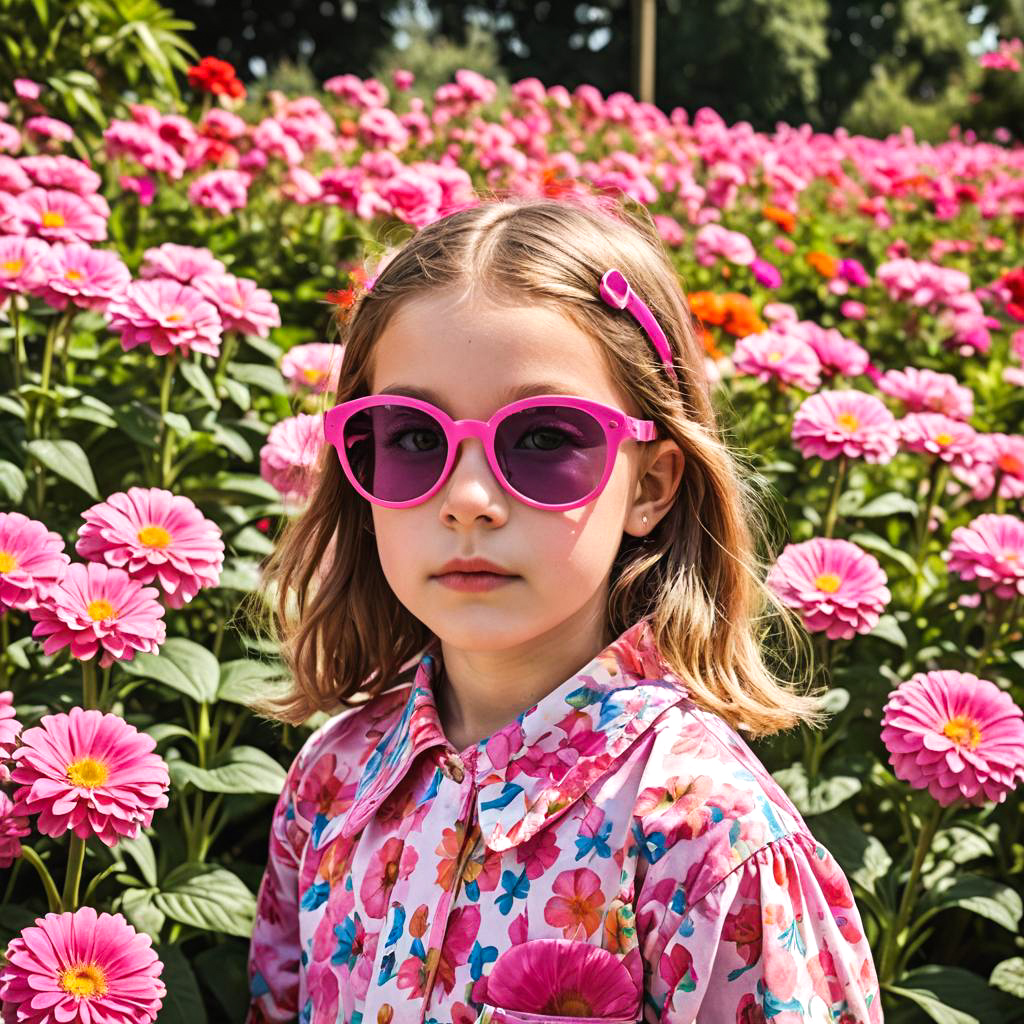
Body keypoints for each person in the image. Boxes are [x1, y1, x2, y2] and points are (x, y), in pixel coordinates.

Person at [244, 194, 884, 1024]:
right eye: (410, 435)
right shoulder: (332, 783)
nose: (468, 499)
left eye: (544, 438)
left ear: (650, 485)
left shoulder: (708, 844)